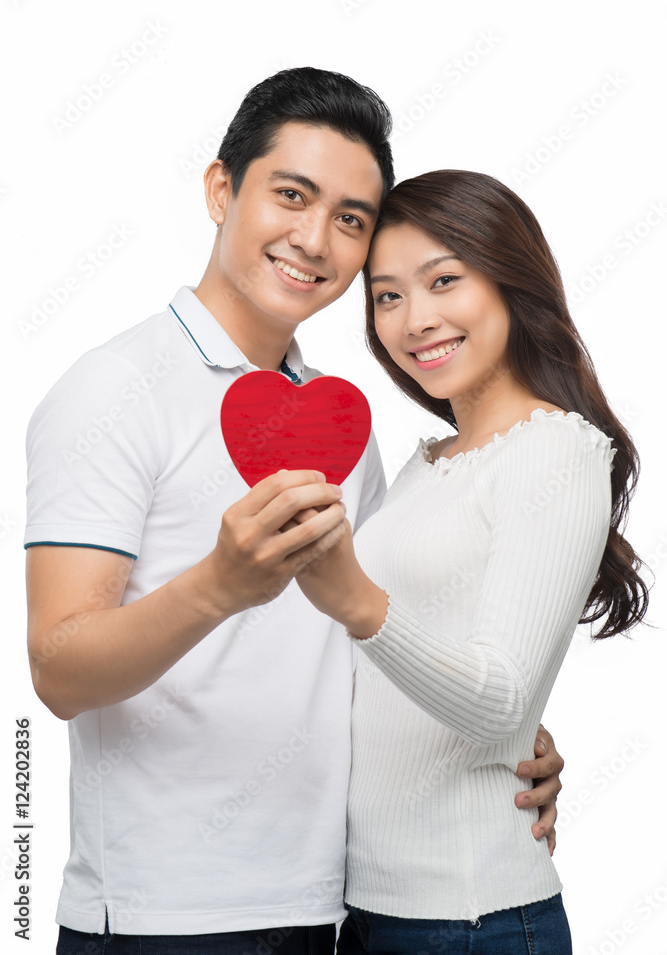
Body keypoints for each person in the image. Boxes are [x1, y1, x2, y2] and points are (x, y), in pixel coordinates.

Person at [25, 71, 564, 955]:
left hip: (333, 903)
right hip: (172, 918)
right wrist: (217, 587)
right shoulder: (113, 389)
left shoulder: (335, 419)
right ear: (220, 190)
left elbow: (377, 639)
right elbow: (58, 670)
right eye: (290, 196)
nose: (314, 239)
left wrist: (505, 734)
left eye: (351, 219)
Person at [291, 170, 648, 954]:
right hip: (372, 909)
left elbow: (497, 700)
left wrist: (355, 601)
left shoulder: (555, 449)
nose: (414, 319)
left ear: (511, 278)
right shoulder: (430, 461)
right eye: (386, 296)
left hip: (467, 918)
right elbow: (445, 681)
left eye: (442, 280)